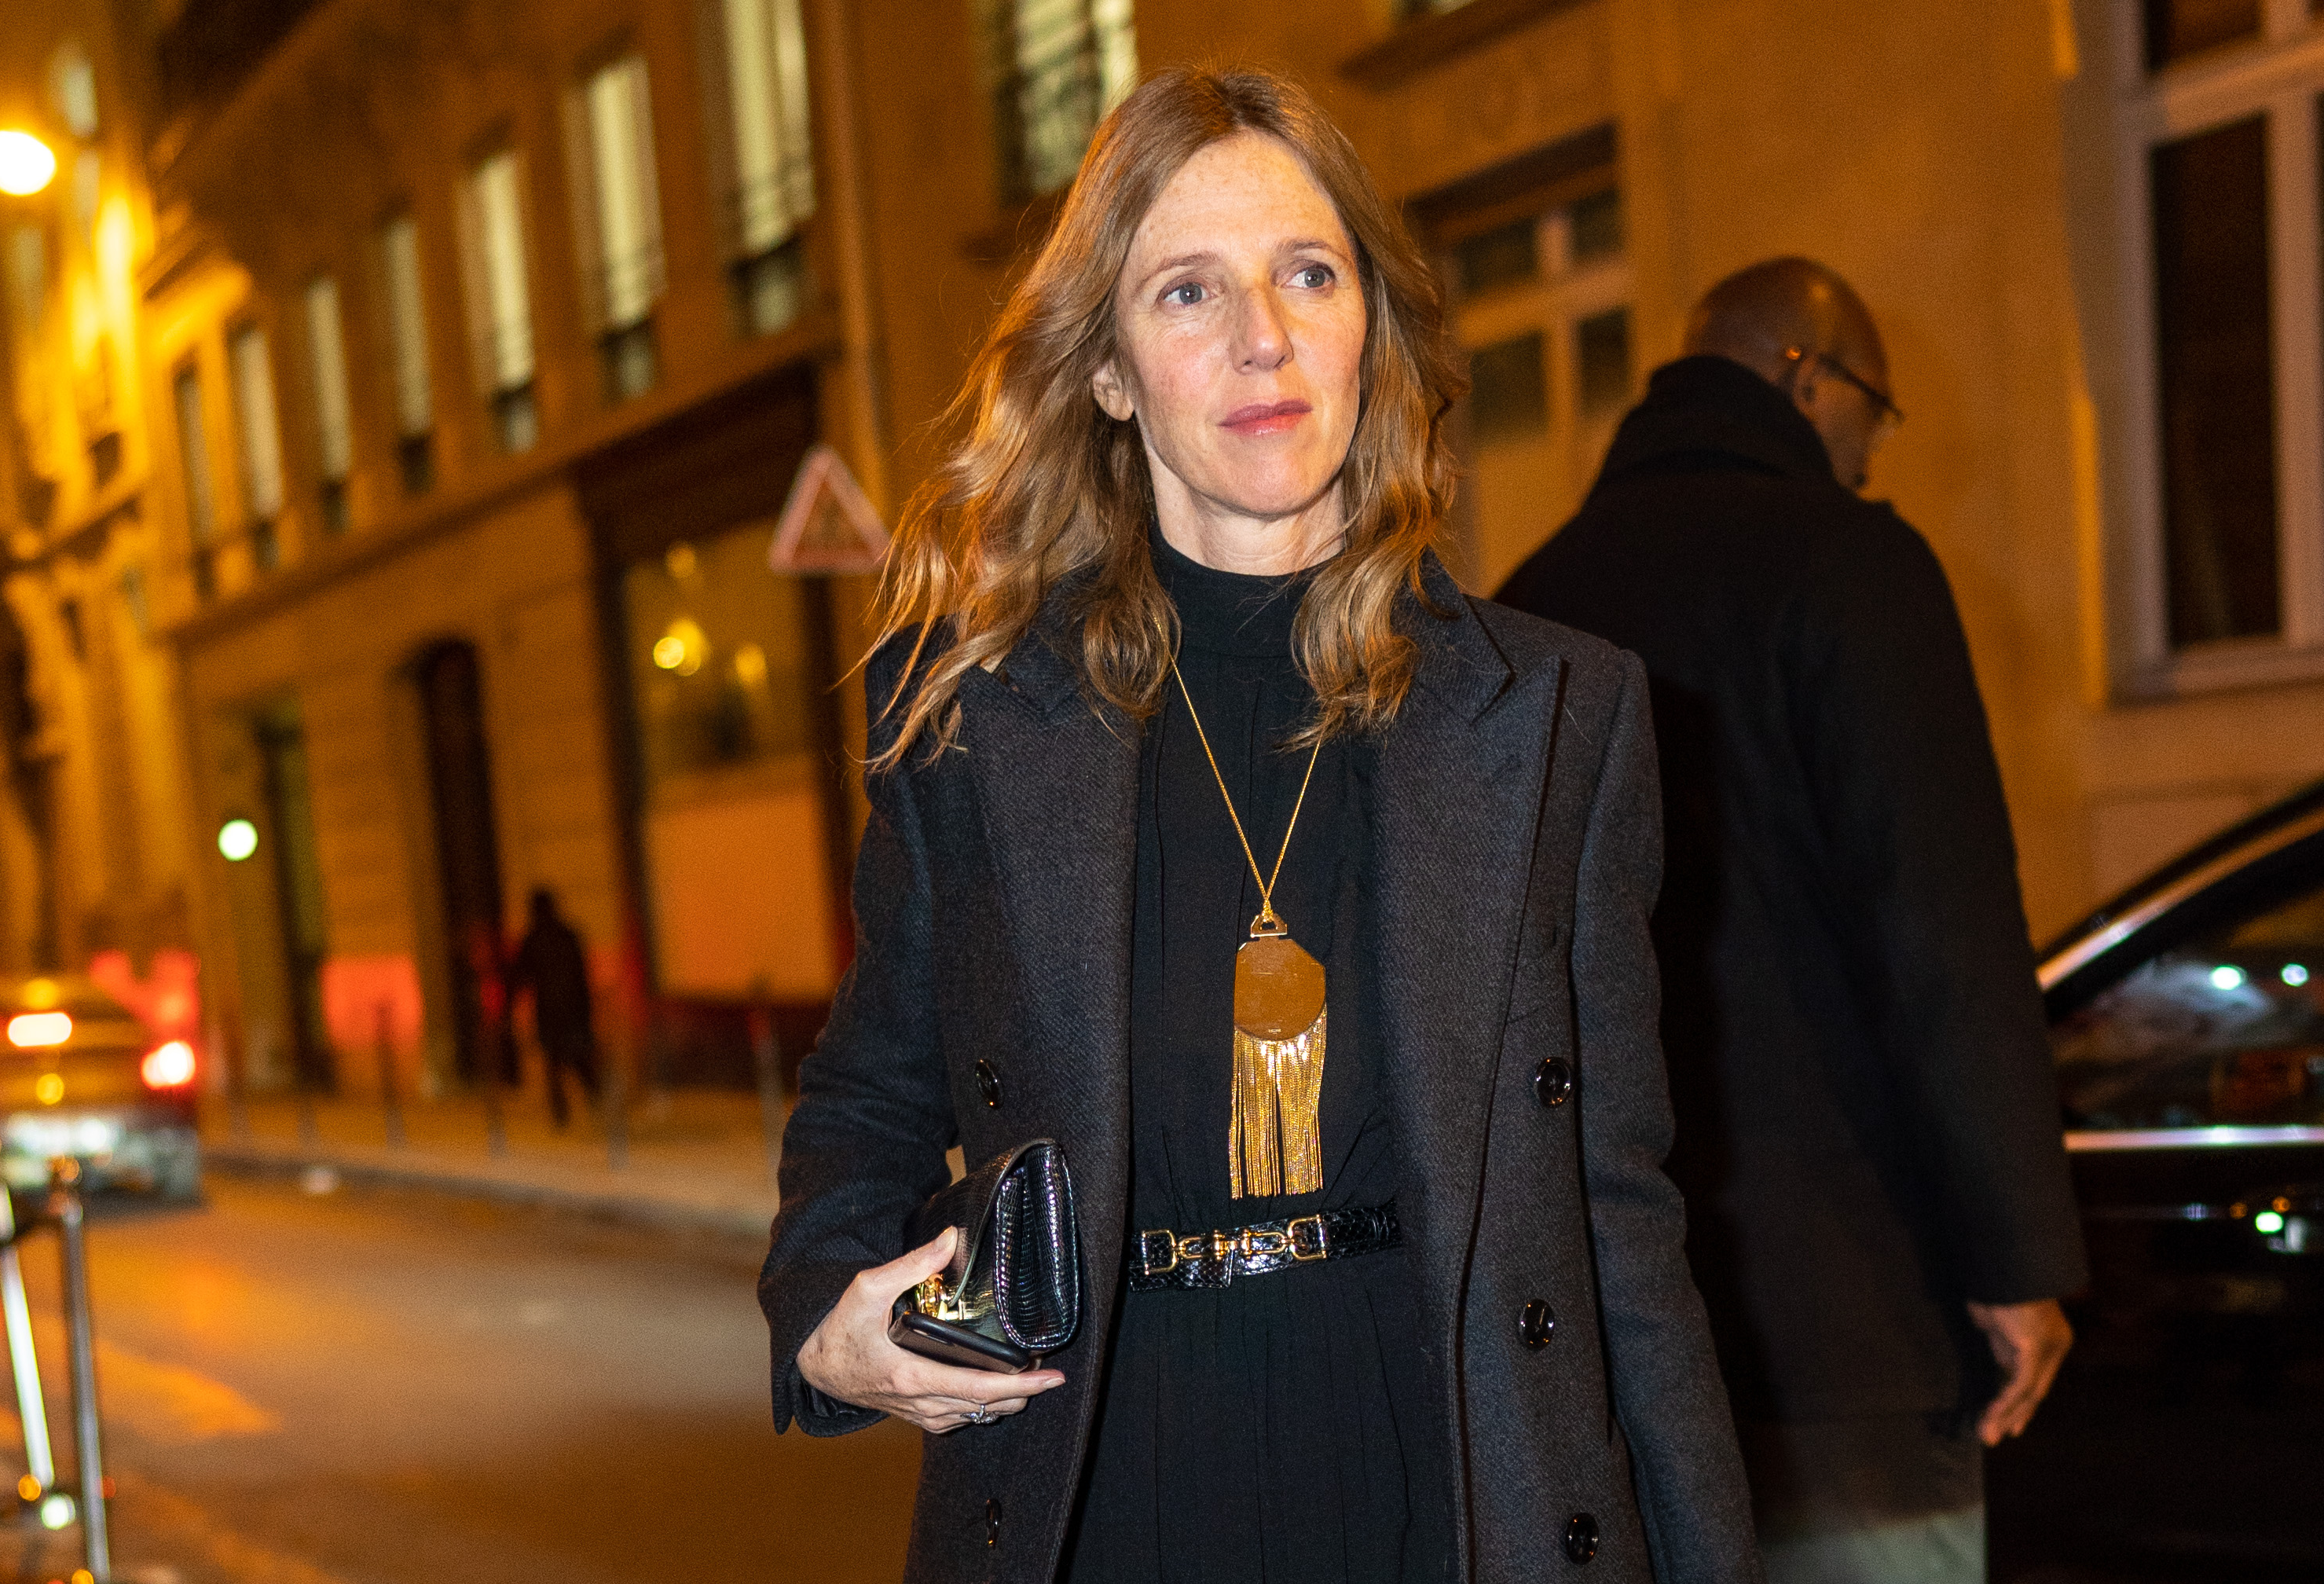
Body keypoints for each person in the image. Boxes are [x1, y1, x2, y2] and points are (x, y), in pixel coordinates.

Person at [758, 67, 1760, 1584]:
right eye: (1184, 292)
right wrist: (829, 1312)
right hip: (1109, 1483)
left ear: (1373, 327)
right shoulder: (969, 722)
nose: (1261, 339)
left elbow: (1614, 1206)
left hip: (1449, 1478)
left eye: (1308, 272)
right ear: (1105, 372)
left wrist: (1703, 1556)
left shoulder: (1556, 718)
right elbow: (871, 1094)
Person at [1496, 257, 2090, 1583]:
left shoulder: (1531, 599)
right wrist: (2015, 1257)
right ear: (1802, 376)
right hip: (1848, 1311)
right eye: (1872, 410)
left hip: (1613, 1315)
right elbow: (1939, 927)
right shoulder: (1851, 565)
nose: (1872, 455)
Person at [508, 889, 599, 1130]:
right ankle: (592, 1100)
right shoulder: (568, 935)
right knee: (575, 1059)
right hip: (573, 1009)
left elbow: (521, 975)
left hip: (551, 1010)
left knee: (557, 1062)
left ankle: (564, 1112)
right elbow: (582, 975)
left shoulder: (534, 938)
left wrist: (511, 1004)